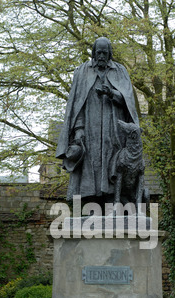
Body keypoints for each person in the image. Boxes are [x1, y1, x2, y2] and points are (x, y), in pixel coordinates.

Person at [55, 37, 139, 206]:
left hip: (113, 127)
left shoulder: (120, 71)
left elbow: (129, 100)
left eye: (104, 52)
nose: (101, 56)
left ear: (110, 53)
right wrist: (79, 129)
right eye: (98, 52)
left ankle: (111, 197)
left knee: (112, 160)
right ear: (93, 53)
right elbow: (77, 104)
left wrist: (112, 94)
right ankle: (90, 200)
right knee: (90, 161)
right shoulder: (82, 71)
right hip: (90, 127)